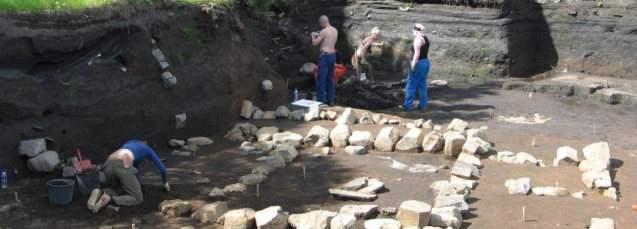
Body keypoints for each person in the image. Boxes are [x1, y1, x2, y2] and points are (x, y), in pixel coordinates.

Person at [87, 140, 169, 213]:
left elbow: (134, 169)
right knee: (137, 198)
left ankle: (99, 192)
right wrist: (165, 183)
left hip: (108, 163)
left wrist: (135, 182)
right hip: (123, 163)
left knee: (118, 188)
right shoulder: (147, 149)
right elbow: (163, 169)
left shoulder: (130, 143)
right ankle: (110, 200)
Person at [402, 23, 431, 111]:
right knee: (422, 85)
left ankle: (408, 105)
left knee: (411, 84)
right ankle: (423, 105)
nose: (413, 32)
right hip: (426, 62)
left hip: (418, 63)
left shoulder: (417, 40)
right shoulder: (425, 38)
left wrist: (413, 65)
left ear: (415, 31)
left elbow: (417, 54)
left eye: (413, 31)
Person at [311, 15, 338, 105]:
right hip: (333, 55)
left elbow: (315, 43)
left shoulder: (323, 31)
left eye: (320, 24)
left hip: (325, 56)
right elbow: (328, 39)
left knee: (321, 78)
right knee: (330, 78)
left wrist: (312, 36)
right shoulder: (335, 30)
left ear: (322, 22)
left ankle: (321, 100)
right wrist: (320, 34)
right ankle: (331, 100)